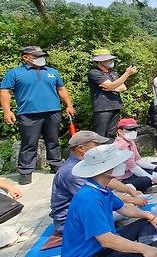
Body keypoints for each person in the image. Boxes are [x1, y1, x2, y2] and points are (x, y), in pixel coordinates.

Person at [61, 144, 157, 257]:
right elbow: (106, 240)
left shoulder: (102, 189)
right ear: (105, 170)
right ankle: (149, 251)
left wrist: (150, 216)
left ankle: (149, 250)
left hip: (105, 248)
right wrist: (144, 249)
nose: (120, 165)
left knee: (147, 223)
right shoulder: (89, 200)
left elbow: (124, 208)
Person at [50, 130, 147, 241]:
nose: (100, 147)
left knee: (130, 189)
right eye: (96, 145)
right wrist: (132, 201)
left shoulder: (86, 164)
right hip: (70, 222)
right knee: (131, 208)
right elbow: (95, 197)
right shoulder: (72, 172)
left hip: (91, 205)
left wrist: (130, 192)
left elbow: (107, 180)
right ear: (81, 148)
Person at [0, 46, 75, 185]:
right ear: (25, 57)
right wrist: (7, 111)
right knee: (29, 143)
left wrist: (69, 105)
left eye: (41, 55)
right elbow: (5, 91)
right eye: (36, 56)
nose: (40, 58)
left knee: (53, 141)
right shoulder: (15, 73)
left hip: (53, 111)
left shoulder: (52, 72)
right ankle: (26, 172)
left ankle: (56, 166)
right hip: (28, 114)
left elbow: (61, 89)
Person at [88, 48, 138, 138]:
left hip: (115, 106)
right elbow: (111, 85)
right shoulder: (94, 73)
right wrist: (126, 74)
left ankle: (110, 151)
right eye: (107, 60)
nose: (110, 61)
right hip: (102, 108)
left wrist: (111, 88)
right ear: (100, 61)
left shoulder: (112, 73)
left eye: (110, 59)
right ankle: (100, 152)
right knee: (100, 135)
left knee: (111, 134)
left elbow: (123, 87)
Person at [114, 118, 157, 194]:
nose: (133, 132)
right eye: (130, 130)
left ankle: (150, 182)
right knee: (146, 180)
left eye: (135, 129)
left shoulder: (131, 142)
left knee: (155, 165)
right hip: (122, 180)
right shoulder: (121, 146)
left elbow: (138, 160)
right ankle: (145, 186)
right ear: (120, 131)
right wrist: (152, 179)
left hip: (130, 173)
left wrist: (156, 168)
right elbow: (134, 168)